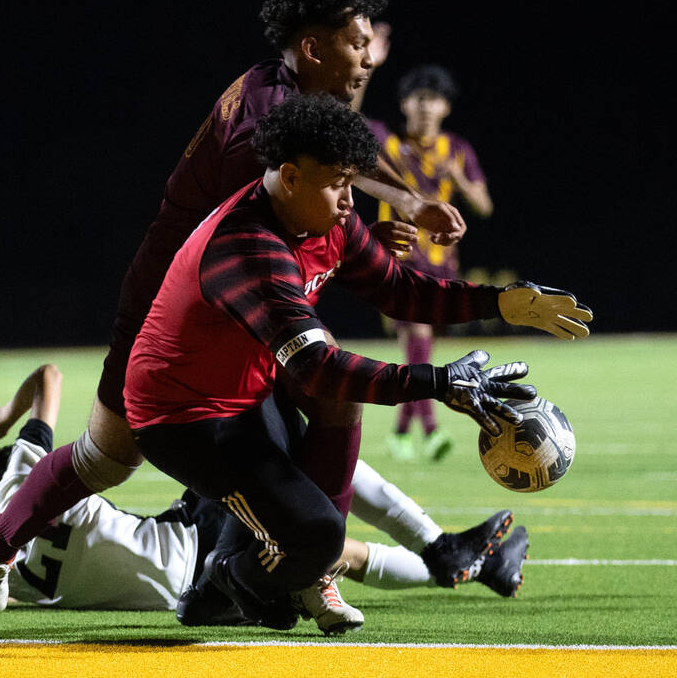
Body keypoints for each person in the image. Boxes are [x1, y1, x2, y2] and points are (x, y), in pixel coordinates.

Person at [0, 0, 471, 612]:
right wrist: (386, 218)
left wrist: (397, 204)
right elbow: (280, 214)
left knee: (332, 397)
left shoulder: (290, 96)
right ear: (313, 47)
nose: (368, 58)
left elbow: (329, 166)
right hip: (178, 307)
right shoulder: (265, 117)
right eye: (355, 43)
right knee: (107, 460)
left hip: (234, 303)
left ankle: (313, 568)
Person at [124, 93, 590, 630]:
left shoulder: (323, 219)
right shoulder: (247, 247)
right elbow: (317, 367)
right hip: (184, 417)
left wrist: (498, 302)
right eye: (338, 182)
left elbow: (397, 290)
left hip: (246, 387)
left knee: (337, 413)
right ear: (291, 177)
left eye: (351, 181)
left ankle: (265, 581)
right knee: (320, 535)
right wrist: (438, 381)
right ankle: (236, 572)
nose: (350, 200)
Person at [0, 366, 531, 633]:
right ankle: (444, 552)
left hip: (187, 555)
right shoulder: (19, 482)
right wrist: (10, 416)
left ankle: (456, 561)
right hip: (201, 544)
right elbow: (50, 376)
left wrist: (8, 594)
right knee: (302, 478)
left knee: (328, 542)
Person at [369, 65, 494, 462]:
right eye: (418, 98)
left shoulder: (456, 150)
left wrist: (456, 175)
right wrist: (368, 67)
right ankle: (432, 429)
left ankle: (401, 431)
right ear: (405, 104)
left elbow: (484, 206)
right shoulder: (387, 142)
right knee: (418, 336)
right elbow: (350, 115)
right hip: (399, 258)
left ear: (446, 107)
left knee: (418, 348)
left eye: (434, 99)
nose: (426, 107)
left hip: (441, 264)